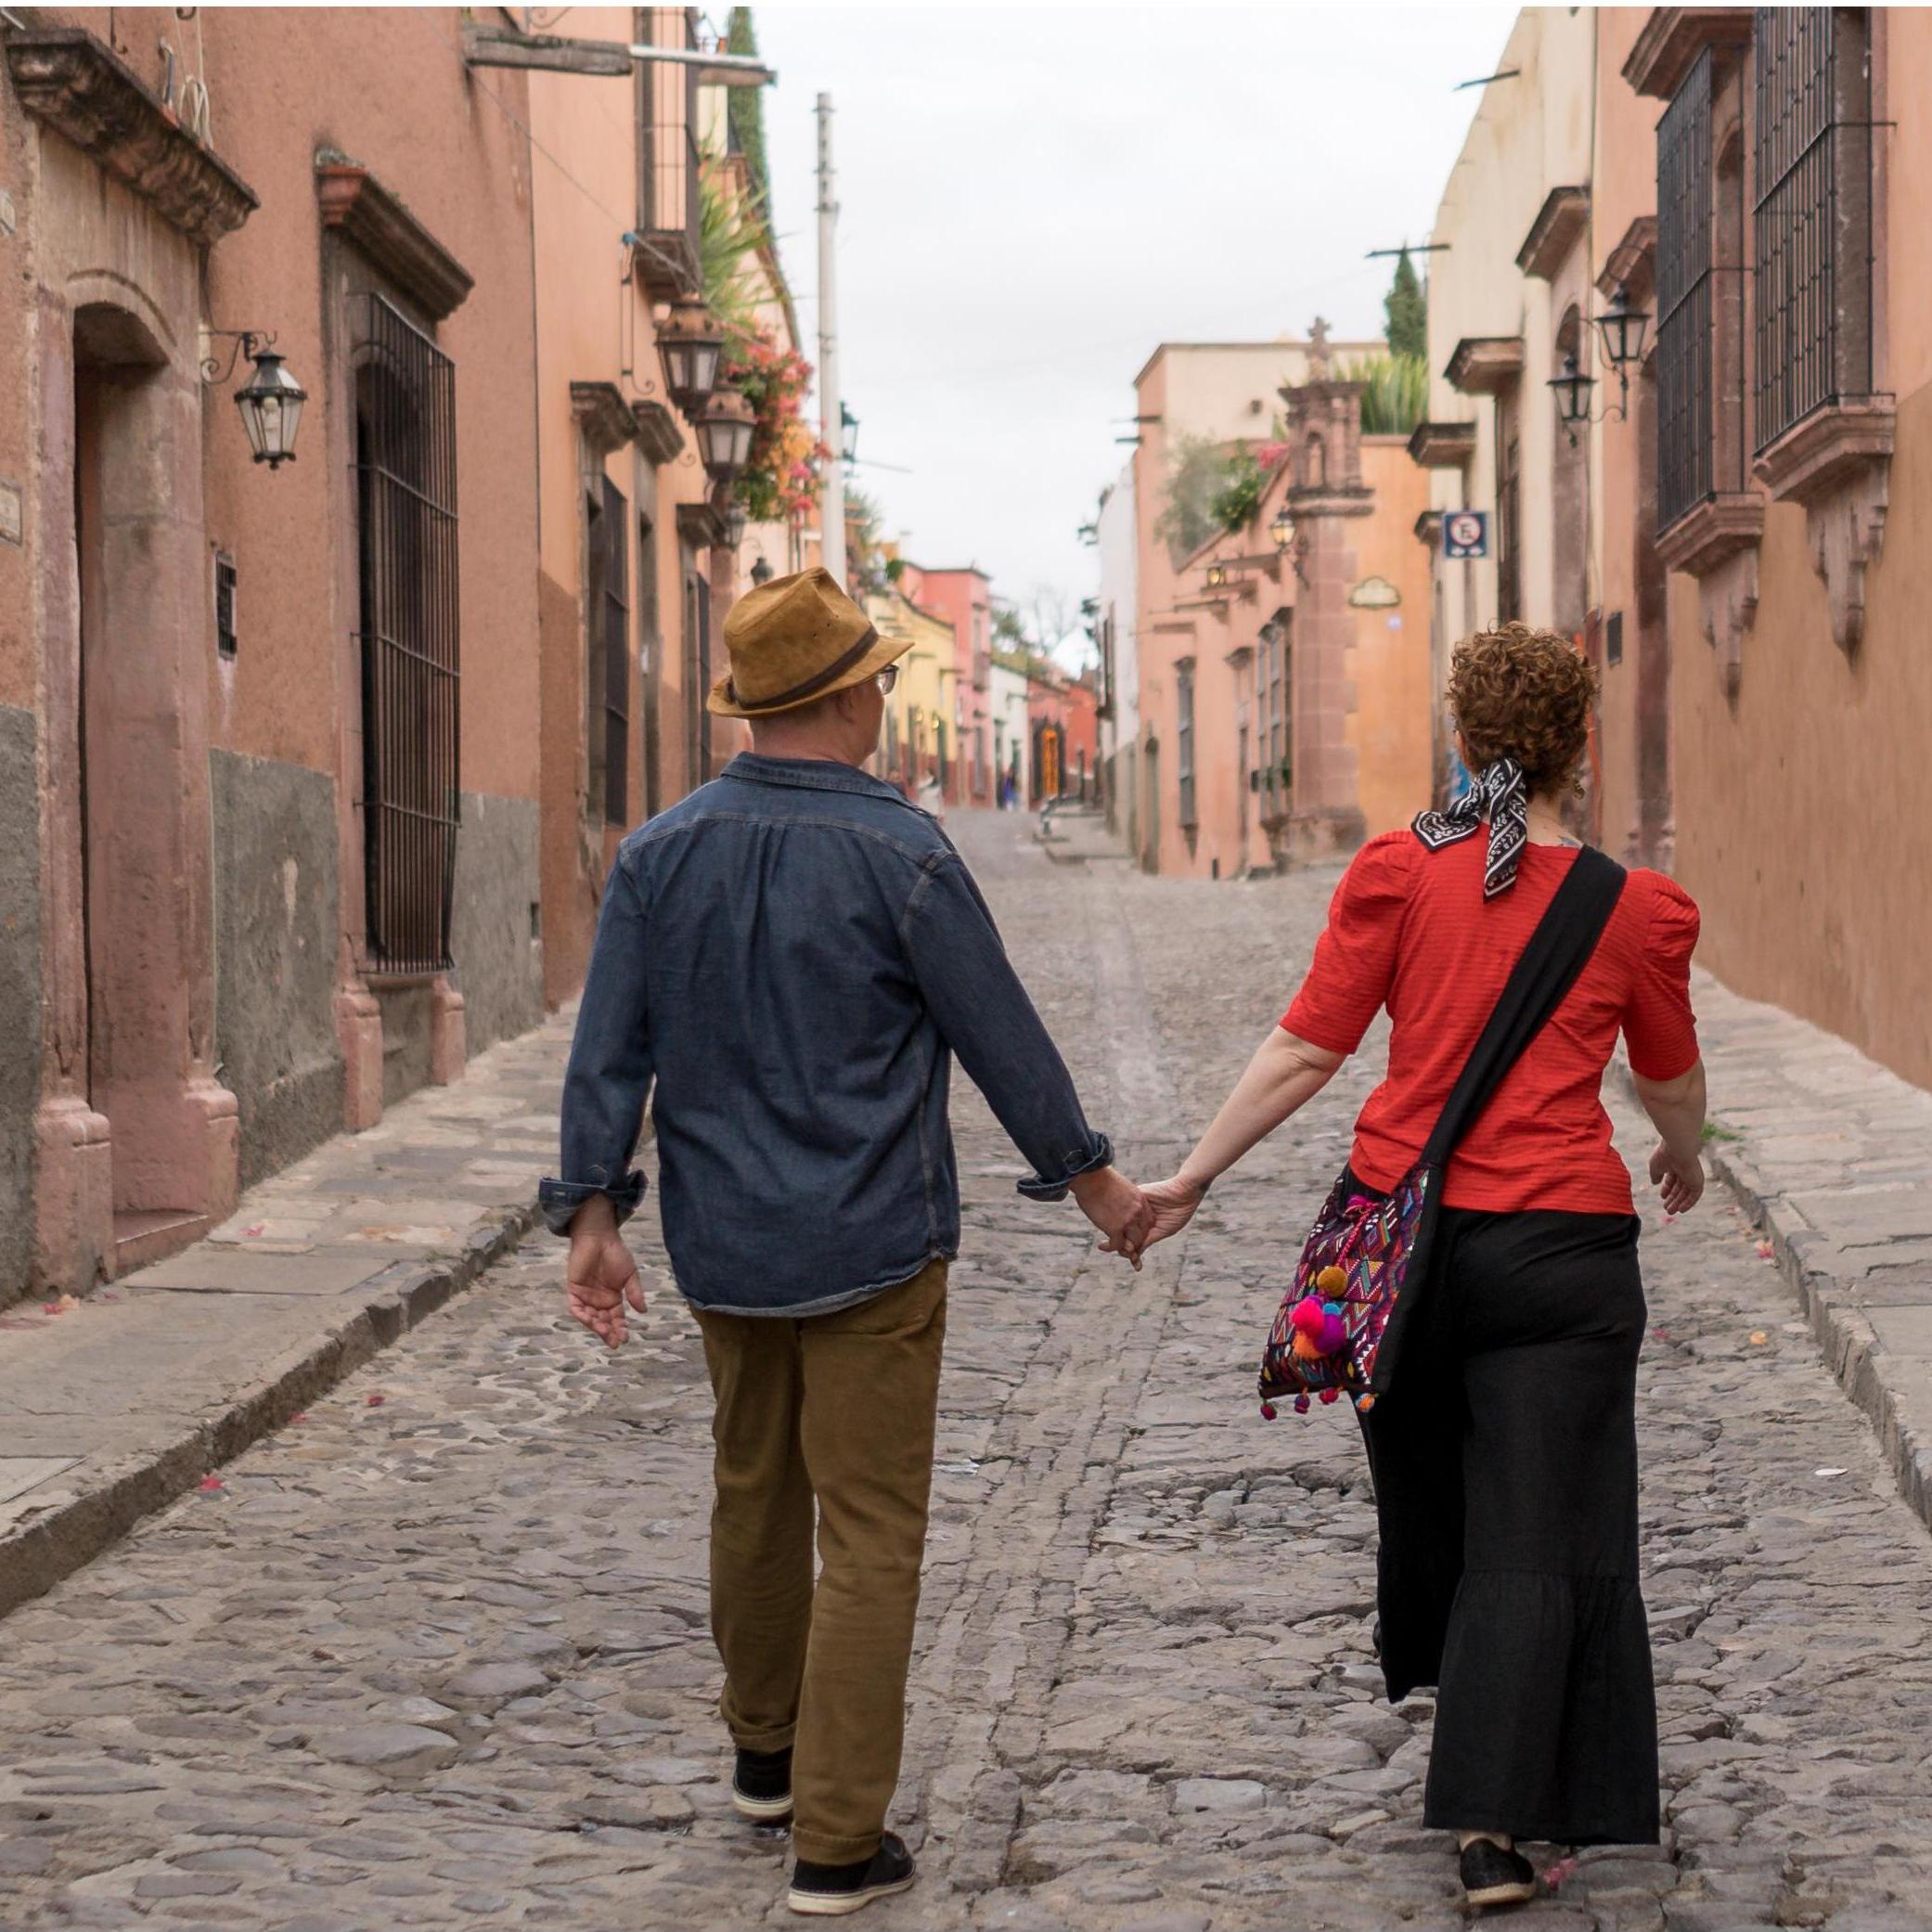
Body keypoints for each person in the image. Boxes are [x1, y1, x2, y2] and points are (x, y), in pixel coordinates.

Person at [540, 567, 1151, 1919]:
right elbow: (999, 1032)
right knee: (869, 1530)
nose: (883, 693)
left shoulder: (657, 856)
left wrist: (593, 1214)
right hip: (875, 1237)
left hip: (725, 1244)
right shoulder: (902, 853)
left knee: (753, 1492)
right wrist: (1095, 1183)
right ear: (845, 699)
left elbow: (608, 1048)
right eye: (876, 677)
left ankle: (766, 1761)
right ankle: (835, 1840)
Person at [1137, 622, 1706, 1911]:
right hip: (1561, 1250)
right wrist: (1684, 1157)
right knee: (1538, 1526)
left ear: (1463, 738)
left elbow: (1304, 1048)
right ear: (1580, 744)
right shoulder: (1634, 908)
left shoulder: (1399, 870)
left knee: (1439, 1508)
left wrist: (1193, 1175)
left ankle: (1473, 1730)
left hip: (1401, 1254)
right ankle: (1493, 1829)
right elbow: (1669, 1077)